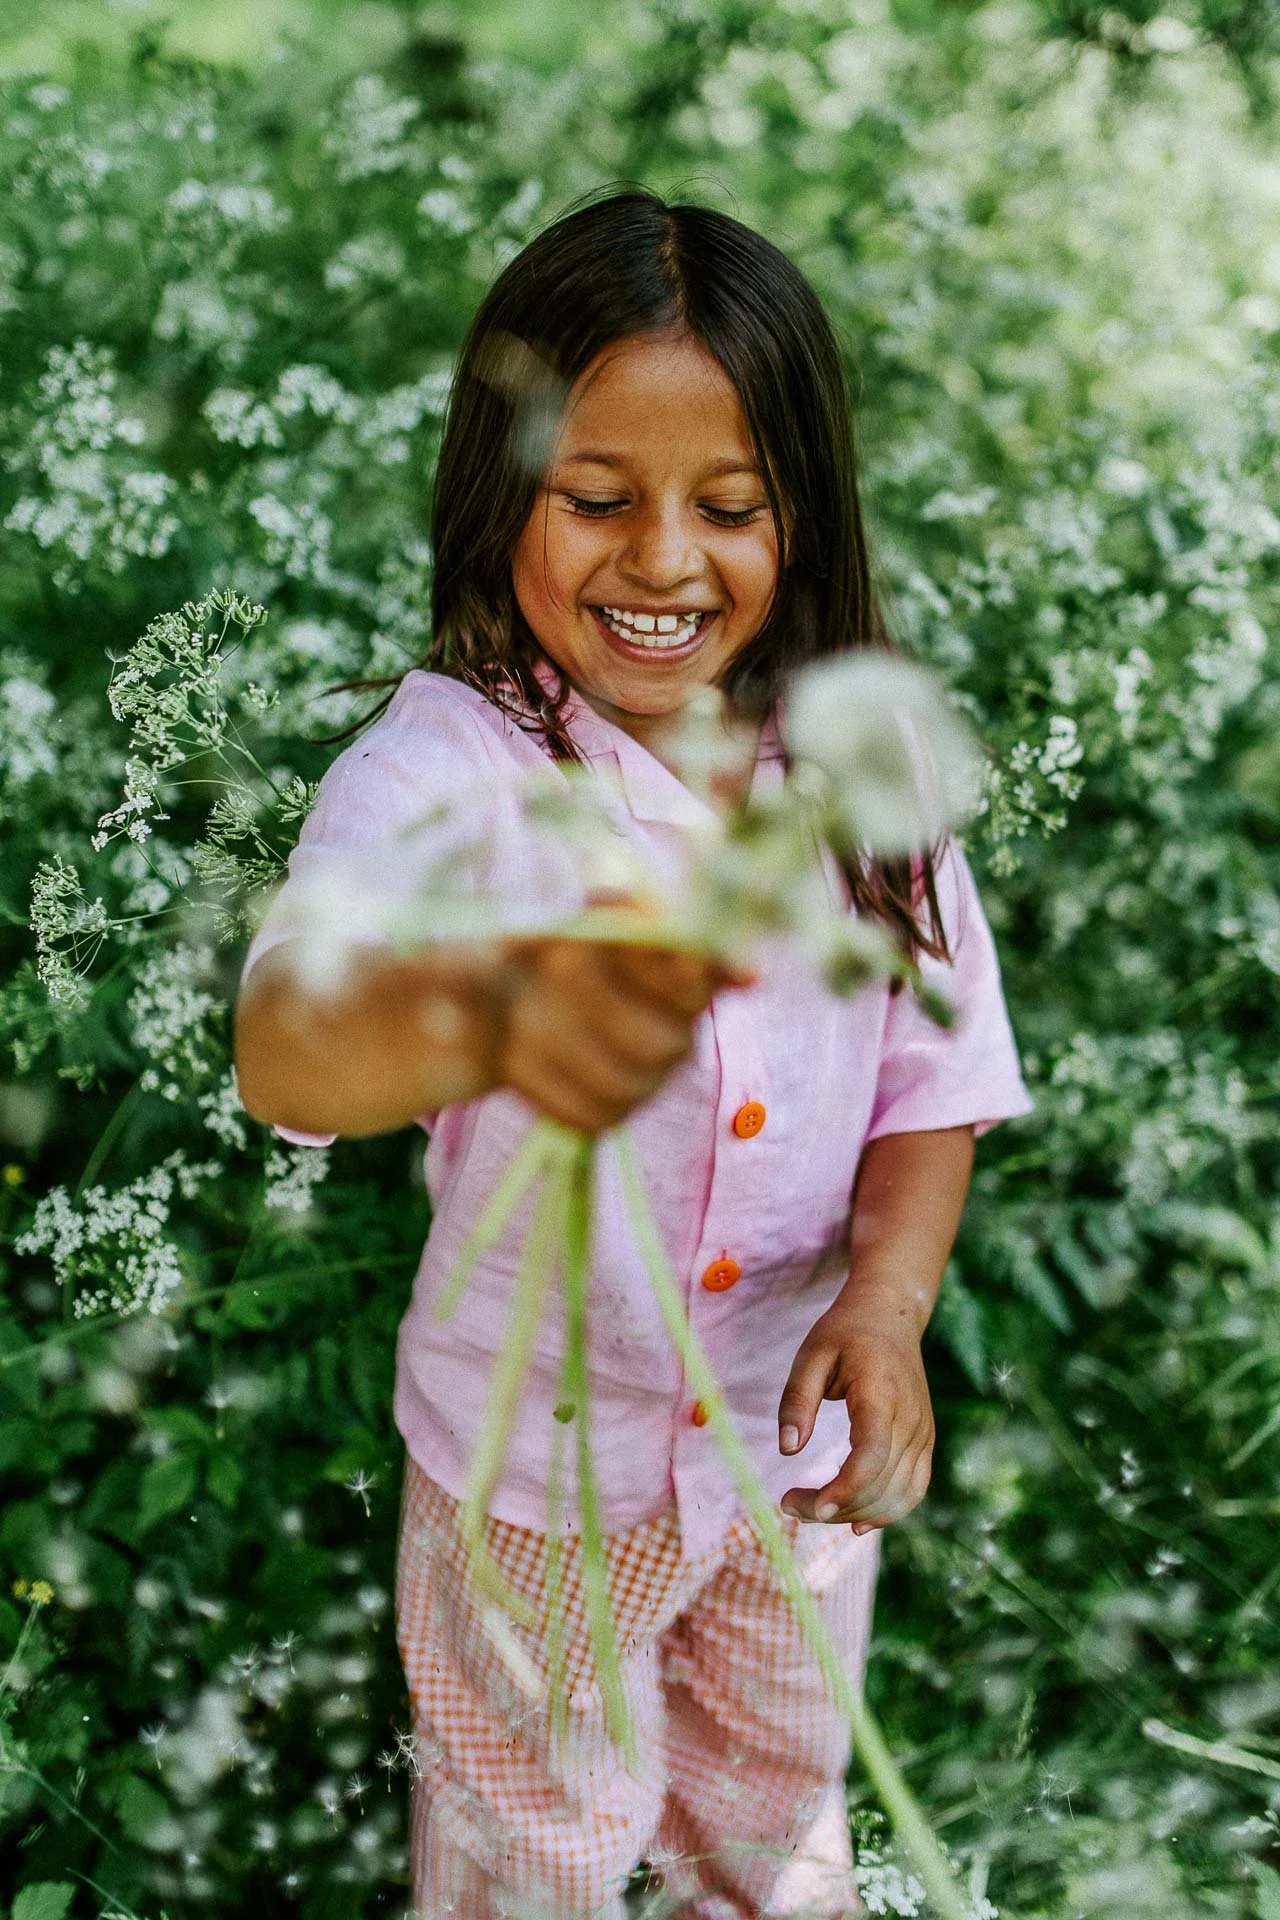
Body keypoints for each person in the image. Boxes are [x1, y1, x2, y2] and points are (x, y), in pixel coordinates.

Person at [233, 188, 1032, 1920]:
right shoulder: (445, 771)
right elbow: (289, 1052)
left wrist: (889, 1304)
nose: (663, 559)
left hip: (786, 1461)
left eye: (728, 508)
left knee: (772, 1816)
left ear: (800, 517)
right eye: (597, 499)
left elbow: (933, 1085)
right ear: (498, 487)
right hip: (532, 1488)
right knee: (534, 1853)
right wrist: (491, 1007)